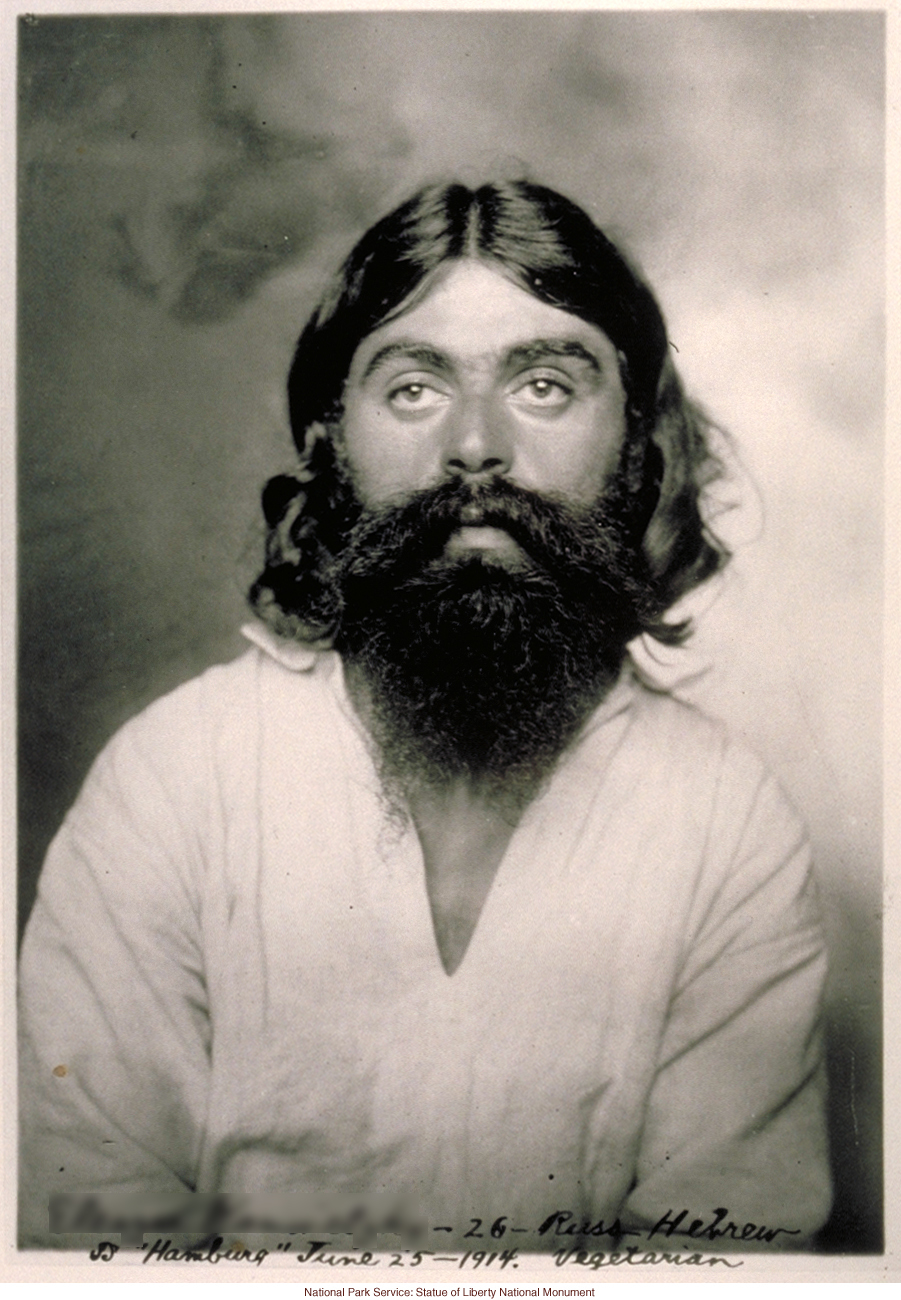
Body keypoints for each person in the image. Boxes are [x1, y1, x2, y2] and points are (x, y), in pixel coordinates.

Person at [19, 180, 831, 1255]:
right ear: (331, 443)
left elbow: (727, 1262)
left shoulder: (724, 818)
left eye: (544, 384)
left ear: (635, 445)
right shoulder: (176, 781)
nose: (475, 448)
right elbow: (90, 1232)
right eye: (413, 389)